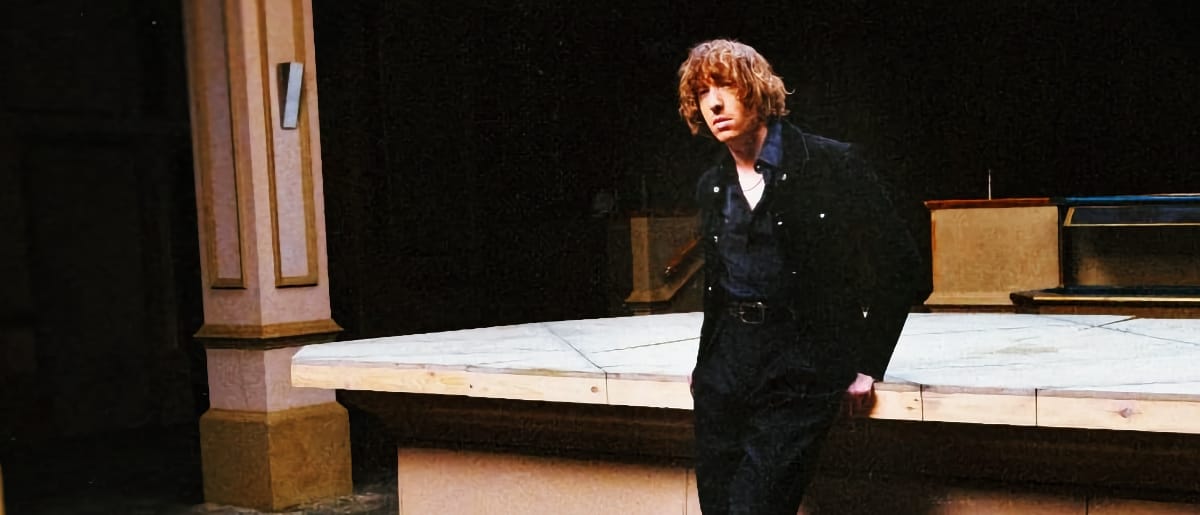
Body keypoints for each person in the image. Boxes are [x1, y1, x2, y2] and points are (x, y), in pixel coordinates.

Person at [678, 39, 921, 514]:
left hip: (800, 368)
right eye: (702, 92)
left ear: (756, 90)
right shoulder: (712, 185)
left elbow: (901, 264)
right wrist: (709, 364)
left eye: (725, 85)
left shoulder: (831, 165)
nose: (714, 103)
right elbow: (719, 287)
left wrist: (869, 362)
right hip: (725, 373)